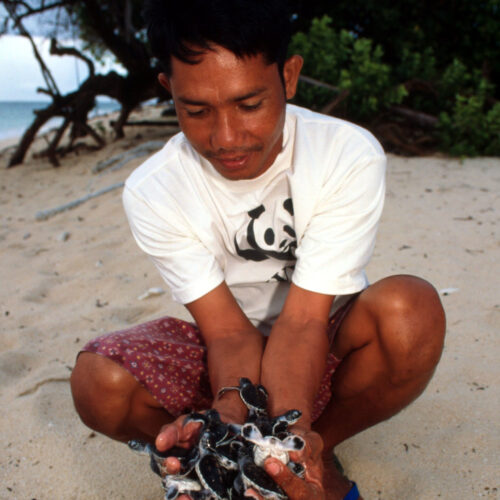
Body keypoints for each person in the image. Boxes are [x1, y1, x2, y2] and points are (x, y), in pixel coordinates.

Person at [70, 1, 446, 499]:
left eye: (249, 105)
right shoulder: (154, 189)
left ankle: (310, 451)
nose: (225, 138)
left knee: (410, 312)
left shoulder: (344, 154)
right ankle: (222, 457)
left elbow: (306, 321)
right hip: (223, 351)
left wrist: (286, 436)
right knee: (97, 381)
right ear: (169, 90)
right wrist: (228, 412)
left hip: (323, 341)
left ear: (289, 78)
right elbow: (226, 330)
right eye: (196, 110)